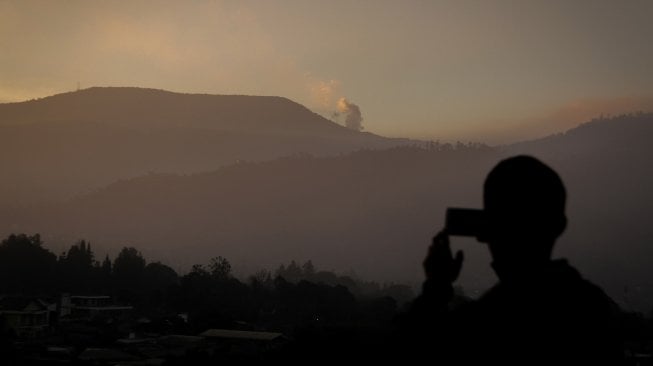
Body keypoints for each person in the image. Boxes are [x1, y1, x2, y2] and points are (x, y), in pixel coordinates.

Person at [397, 155, 623, 364]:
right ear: (559, 226)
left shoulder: (485, 324)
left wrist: (436, 288)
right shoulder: (593, 309)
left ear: (486, 229)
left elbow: (412, 353)